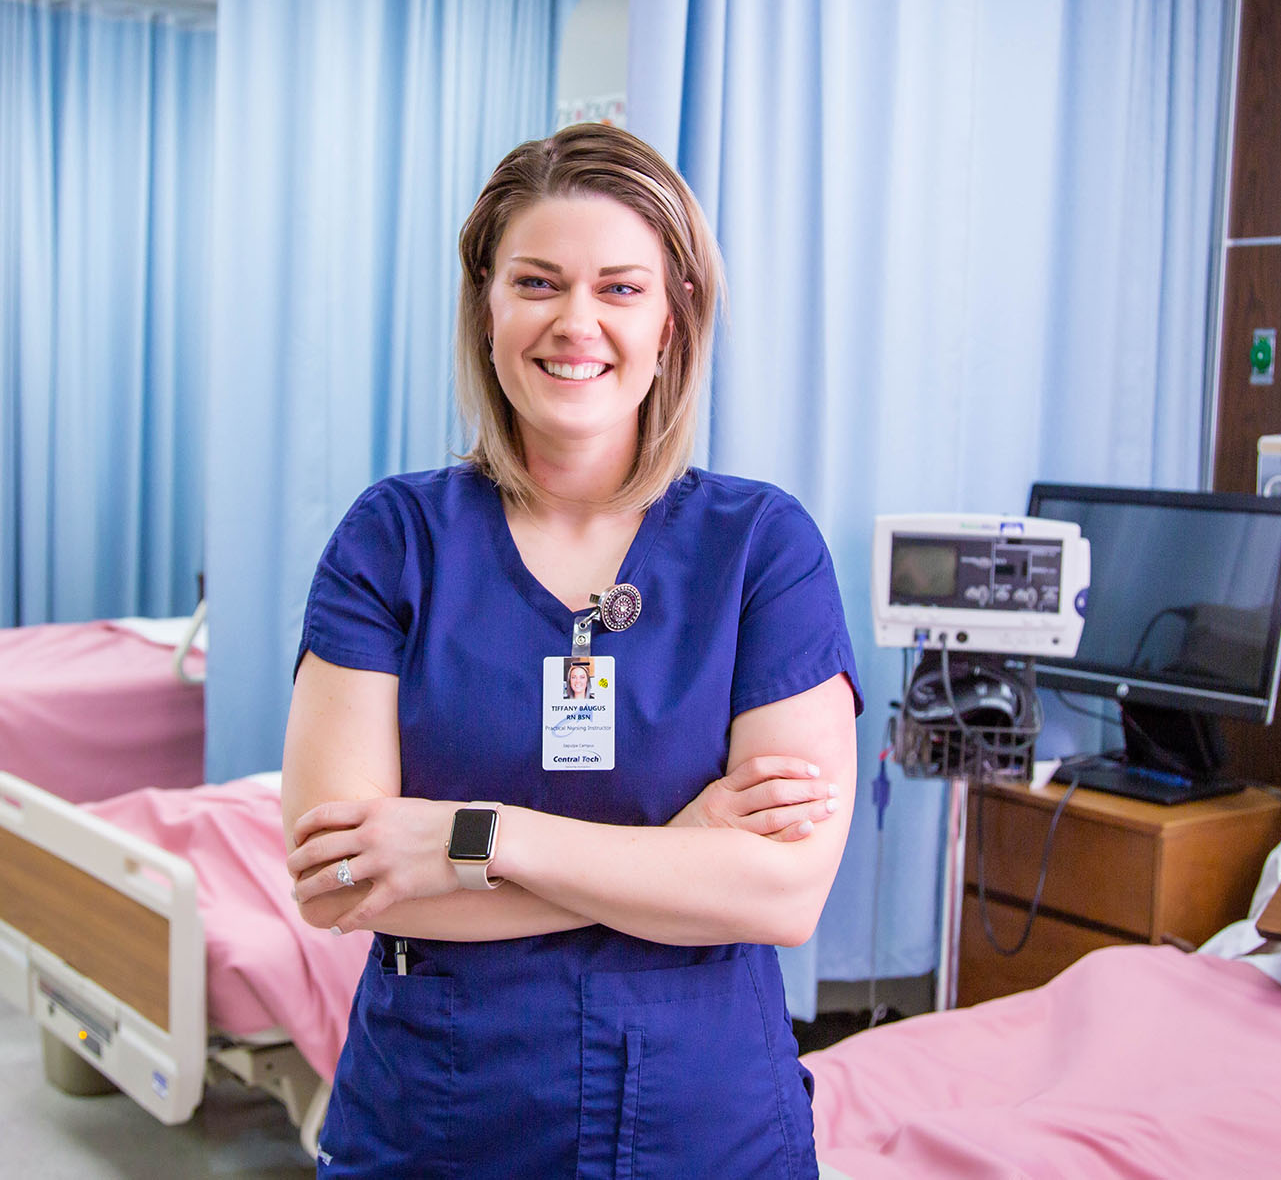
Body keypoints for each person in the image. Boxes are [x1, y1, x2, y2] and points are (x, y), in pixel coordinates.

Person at [281, 123, 861, 1176]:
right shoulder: (392, 540)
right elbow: (336, 884)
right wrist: (678, 854)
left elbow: (781, 893)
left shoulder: (762, 548)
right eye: (537, 281)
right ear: (486, 305)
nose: (574, 322)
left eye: (620, 288)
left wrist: (472, 836)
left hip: (703, 1122)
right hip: (438, 1117)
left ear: (673, 317)